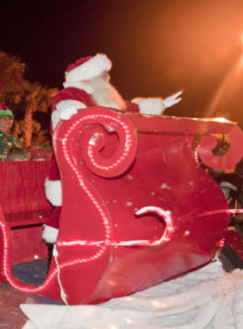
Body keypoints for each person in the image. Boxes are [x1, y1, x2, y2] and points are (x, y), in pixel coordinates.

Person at [43, 53, 182, 244]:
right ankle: (57, 247)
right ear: (88, 76)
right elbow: (65, 104)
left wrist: (160, 104)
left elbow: (129, 108)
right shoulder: (73, 93)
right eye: (103, 75)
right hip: (80, 160)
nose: (108, 78)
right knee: (69, 205)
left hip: (108, 159)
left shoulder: (104, 98)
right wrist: (69, 111)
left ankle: (111, 242)